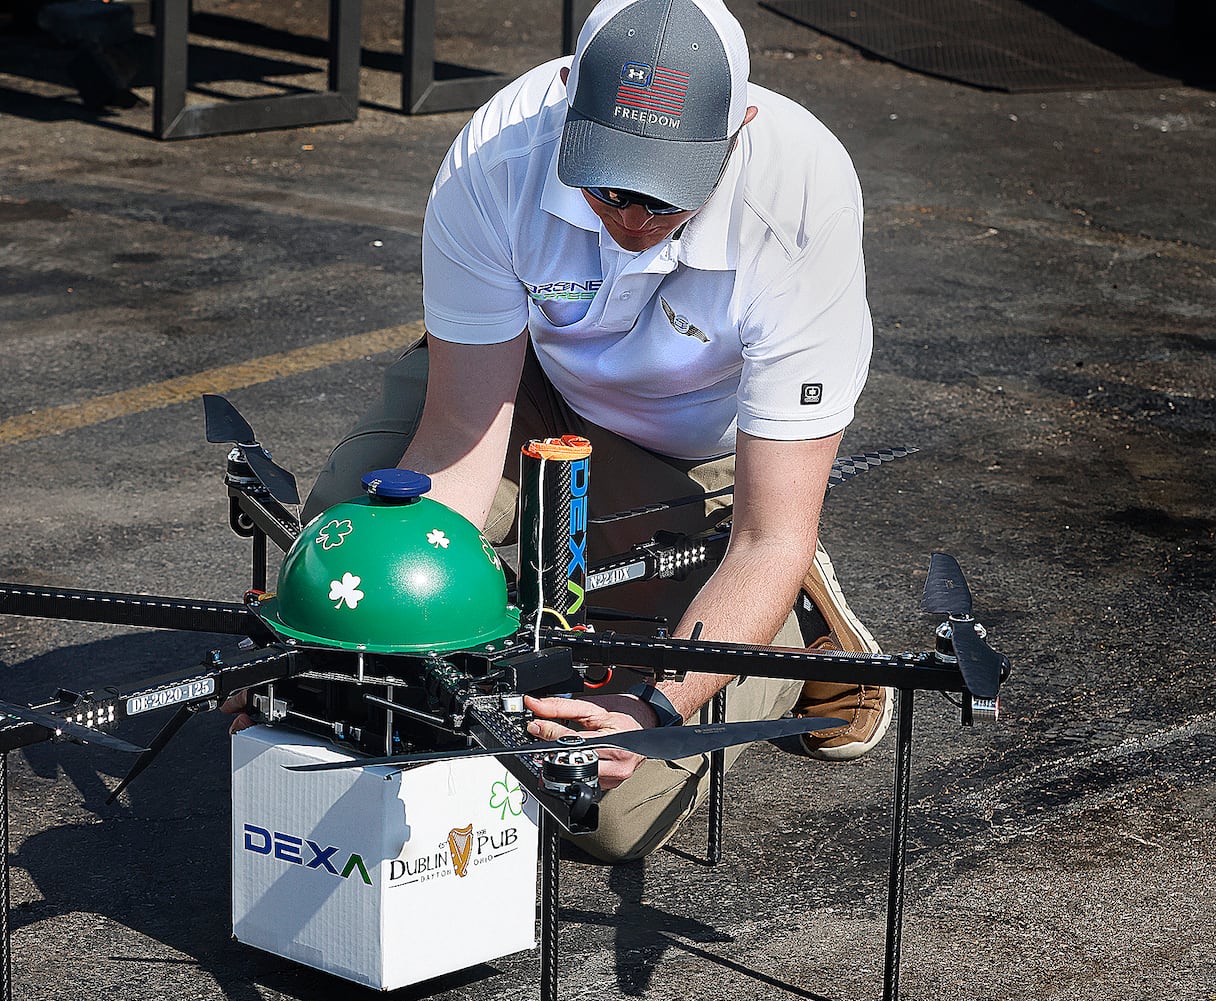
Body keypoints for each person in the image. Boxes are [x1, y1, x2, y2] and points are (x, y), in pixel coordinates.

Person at [293, 0, 890, 863]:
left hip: (695, 461)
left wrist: (654, 710)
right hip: (526, 385)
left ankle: (797, 621)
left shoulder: (803, 201)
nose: (635, 219)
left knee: (596, 810)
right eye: (609, 184)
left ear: (740, 127)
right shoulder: (497, 158)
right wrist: (374, 639)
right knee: (353, 541)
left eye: (668, 194)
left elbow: (770, 535)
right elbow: (460, 436)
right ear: (568, 97)